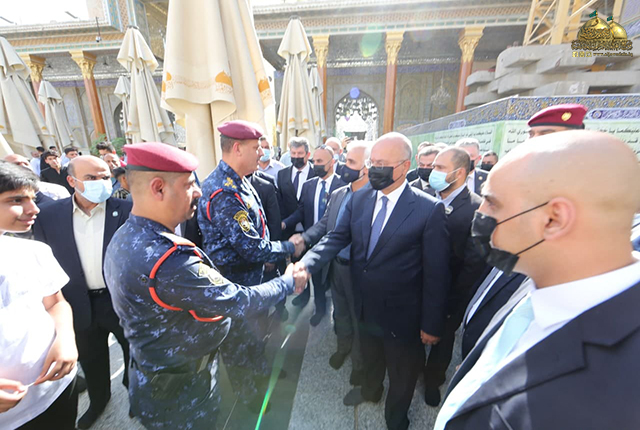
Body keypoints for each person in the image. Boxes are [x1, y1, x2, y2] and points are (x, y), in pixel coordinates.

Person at [435, 130, 640, 430]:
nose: (480, 212)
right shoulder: (538, 275)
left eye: (492, 203)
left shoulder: (622, 397)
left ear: (553, 220)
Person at [103, 142, 306, 430]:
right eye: (188, 185)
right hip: (182, 396)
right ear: (158, 188)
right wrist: (287, 282)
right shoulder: (169, 260)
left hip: (161, 377)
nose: (199, 191)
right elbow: (240, 300)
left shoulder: (126, 233)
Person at [296, 132, 451, 430]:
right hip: (364, 305)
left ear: (404, 166)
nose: (373, 169)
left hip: (403, 315)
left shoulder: (428, 209)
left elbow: (437, 273)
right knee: (371, 358)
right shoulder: (360, 198)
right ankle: (371, 391)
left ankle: (396, 418)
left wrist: (431, 324)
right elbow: (336, 237)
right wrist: (306, 264)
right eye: (372, 162)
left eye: (381, 164)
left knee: (402, 373)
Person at [458, 103, 589, 361]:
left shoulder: (582, 207)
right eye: (531, 135)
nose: (534, 142)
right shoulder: (525, 188)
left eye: (546, 134)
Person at [197, 120, 303, 410]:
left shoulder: (240, 180)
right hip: (234, 282)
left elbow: (257, 230)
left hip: (251, 278)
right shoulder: (223, 191)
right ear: (237, 148)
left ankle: (262, 373)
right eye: (256, 148)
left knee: (255, 335)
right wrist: (288, 247)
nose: (261, 153)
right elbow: (250, 246)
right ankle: (249, 396)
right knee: (238, 344)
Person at [33, 156, 132, 429]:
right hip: (77, 303)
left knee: (134, 354)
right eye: (91, 178)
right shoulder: (49, 216)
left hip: (120, 302)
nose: (101, 182)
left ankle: (136, 396)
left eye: (105, 176)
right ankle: (99, 401)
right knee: (91, 359)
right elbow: (45, 264)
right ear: (71, 181)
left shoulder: (128, 209)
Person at [0, 161, 78, 430]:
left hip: (54, 391)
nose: (34, 209)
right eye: (16, 200)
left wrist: (66, 339)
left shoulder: (32, 251)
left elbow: (55, 302)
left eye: (32, 199)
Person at [292, 141, 371, 384]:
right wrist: (304, 238)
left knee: (360, 320)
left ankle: (359, 363)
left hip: (360, 272)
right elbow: (325, 225)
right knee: (341, 313)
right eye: (345, 160)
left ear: (366, 168)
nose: (345, 166)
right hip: (337, 266)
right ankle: (342, 347)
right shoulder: (338, 194)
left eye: (351, 162)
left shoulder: (375, 198)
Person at [421, 148, 486, 406]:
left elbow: (473, 263)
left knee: (442, 340)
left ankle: (433, 379)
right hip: (418, 285)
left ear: (459, 173)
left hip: (451, 293)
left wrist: (453, 303)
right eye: (433, 166)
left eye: (439, 168)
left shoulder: (476, 208)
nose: (432, 172)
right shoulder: (424, 197)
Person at [282, 145, 346, 325]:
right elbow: (302, 210)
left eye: (320, 161)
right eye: (314, 161)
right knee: (316, 279)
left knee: (336, 283)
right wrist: (286, 222)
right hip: (313, 240)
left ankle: (339, 317)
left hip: (336, 244)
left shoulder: (343, 186)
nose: (315, 164)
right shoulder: (309, 185)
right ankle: (320, 309)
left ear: (332, 162)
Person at [276, 137, 316, 239]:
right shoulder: (282, 174)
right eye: (293, 153)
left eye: (300, 153)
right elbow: (280, 201)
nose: (296, 156)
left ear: (308, 154)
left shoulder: (316, 173)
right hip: (287, 231)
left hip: (311, 230)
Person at [3, 154, 69, 202]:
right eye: (17, 164)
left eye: (26, 164)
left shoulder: (57, 190)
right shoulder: (5, 197)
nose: (23, 166)